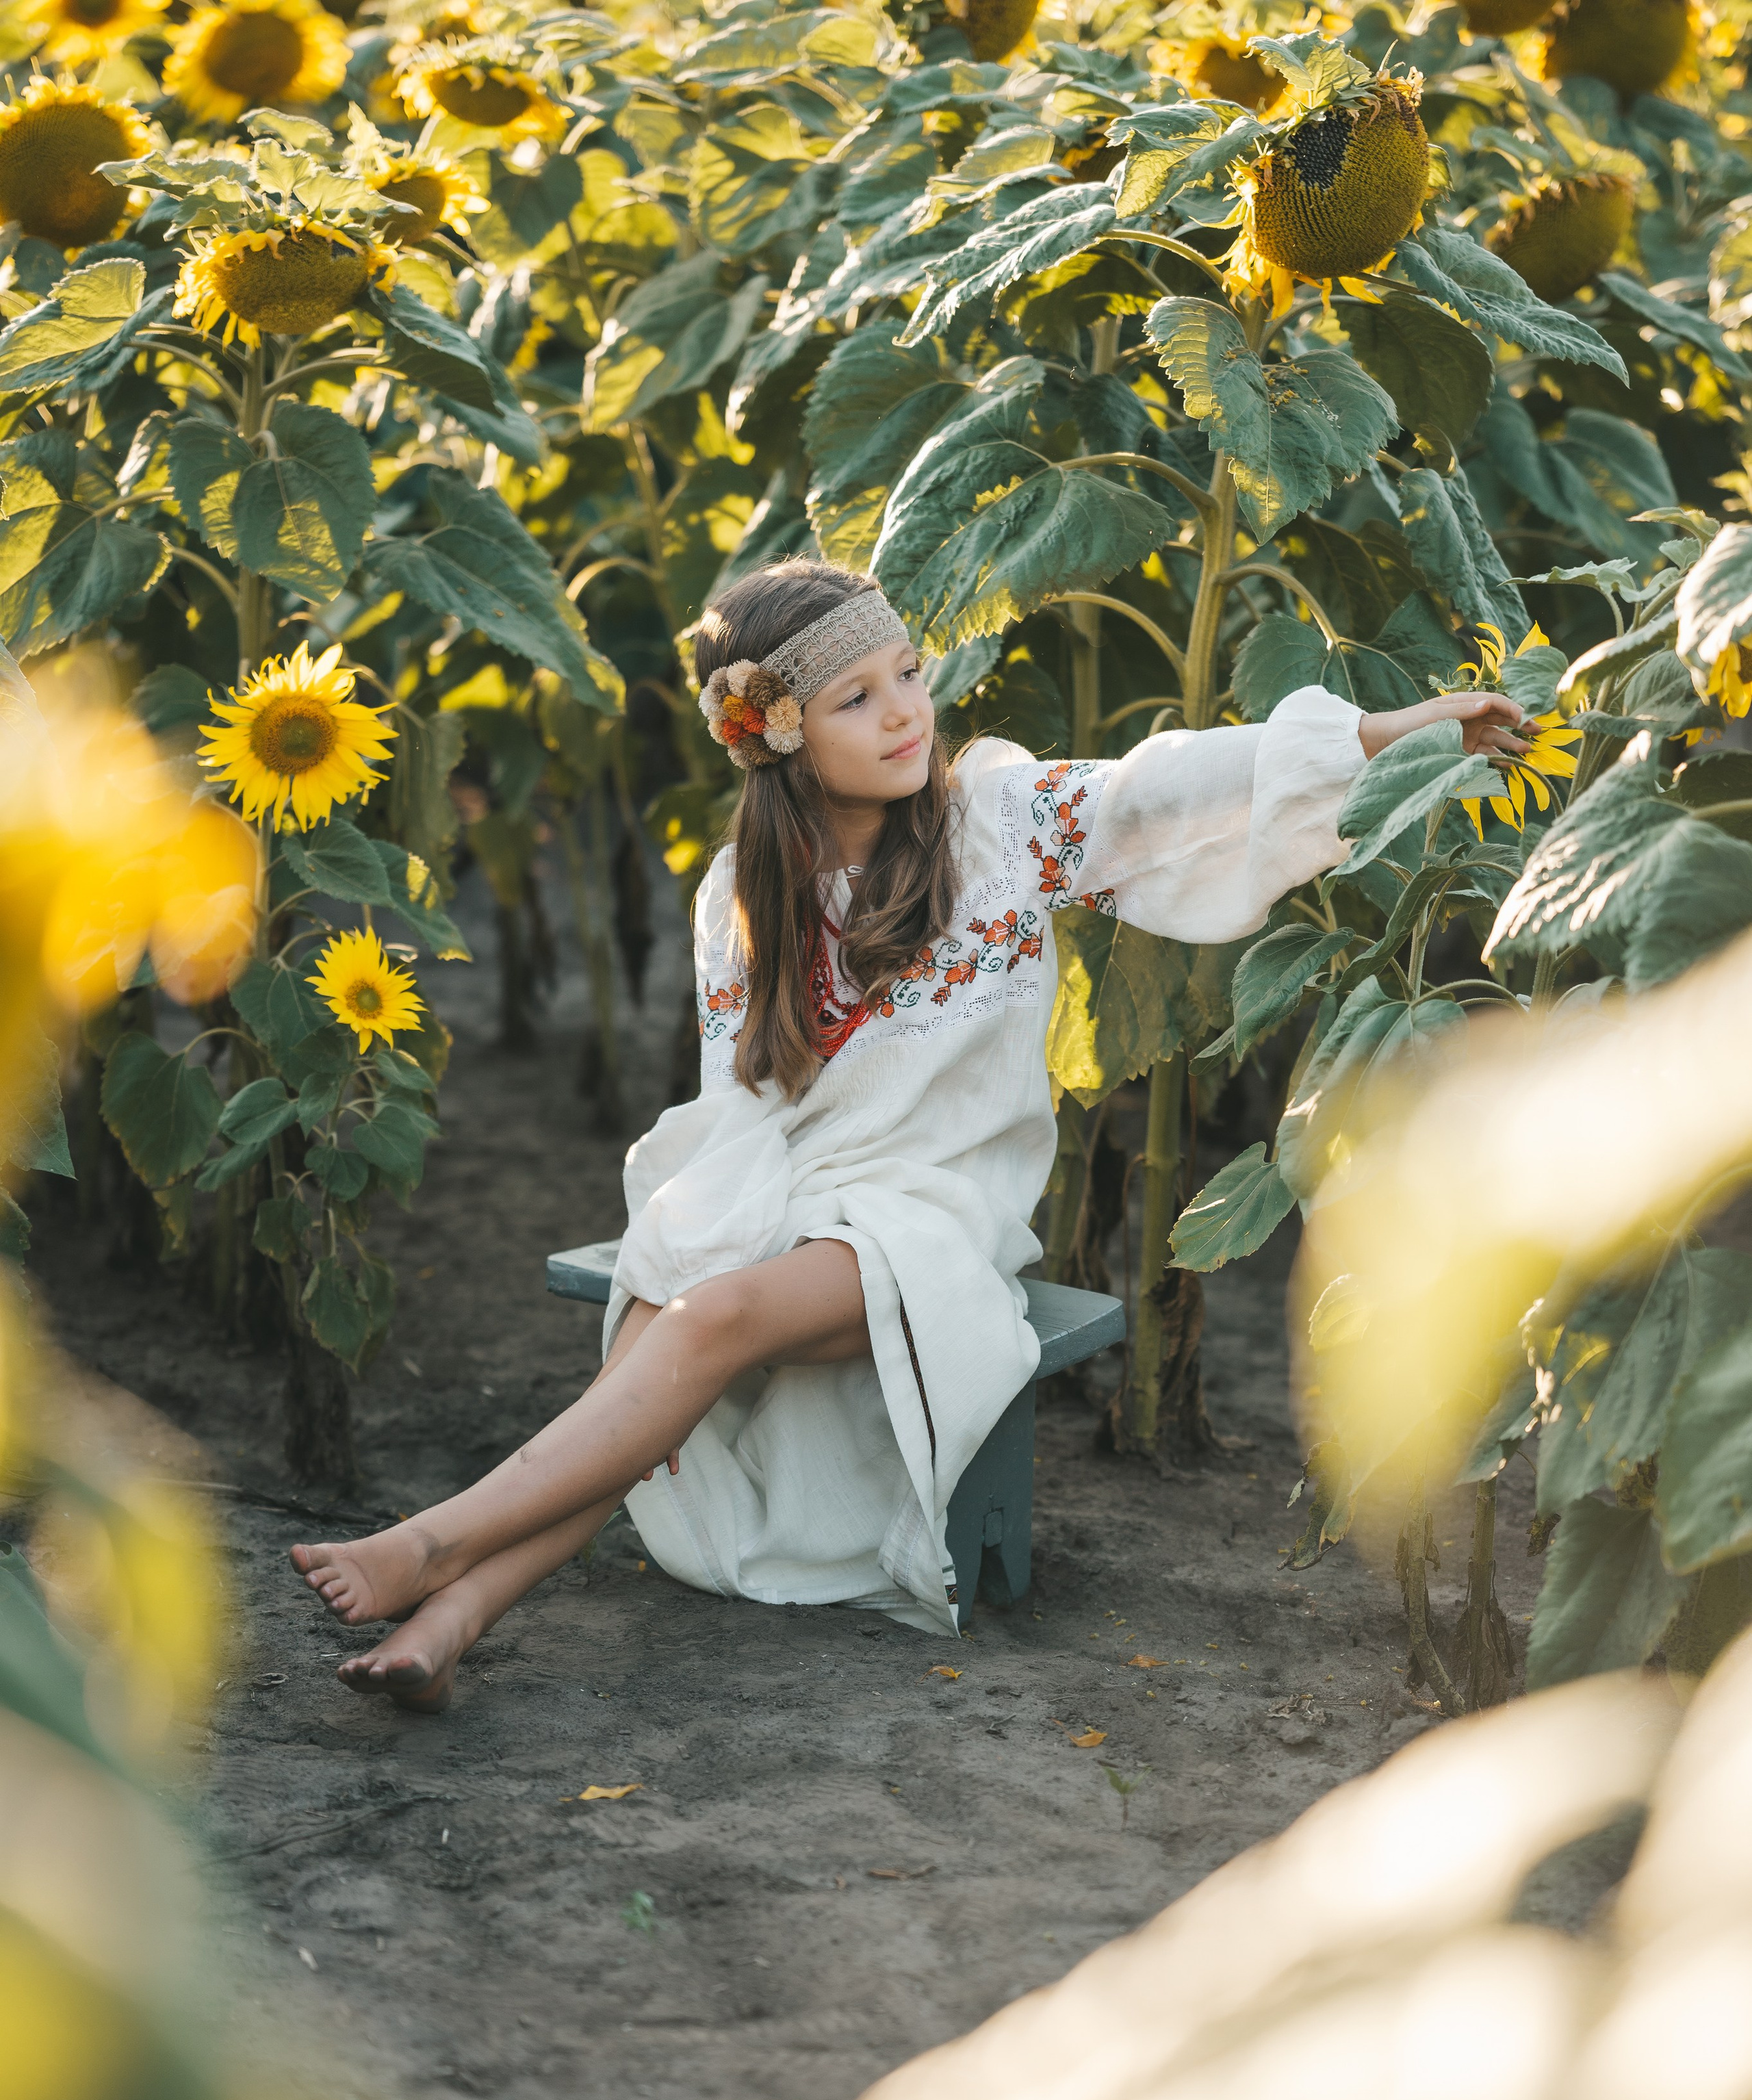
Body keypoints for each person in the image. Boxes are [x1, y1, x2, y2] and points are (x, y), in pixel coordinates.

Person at [292, 558, 1529, 1711]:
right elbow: (745, 1097)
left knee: (706, 1320)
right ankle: (455, 1619)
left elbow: (1166, 787)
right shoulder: (741, 893)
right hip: (799, 1187)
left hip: (939, 1209)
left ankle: (433, 1539)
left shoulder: (997, 824)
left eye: (908, 678)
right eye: (855, 699)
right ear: (778, 737)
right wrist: (717, 1224)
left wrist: (1393, 732)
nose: (902, 716)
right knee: (670, 1316)